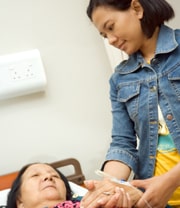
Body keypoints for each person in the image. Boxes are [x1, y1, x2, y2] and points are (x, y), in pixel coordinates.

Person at [81, 0, 180, 207]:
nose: (109, 40)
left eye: (110, 27)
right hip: (154, 200)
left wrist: (169, 181)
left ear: (137, 8)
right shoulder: (119, 79)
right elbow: (123, 144)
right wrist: (109, 186)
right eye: (104, 35)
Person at [6, 162, 81, 208]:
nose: (48, 177)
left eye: (55, 176)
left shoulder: (85, 203)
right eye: (35, 175)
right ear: (20, 203)